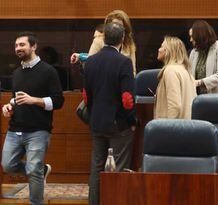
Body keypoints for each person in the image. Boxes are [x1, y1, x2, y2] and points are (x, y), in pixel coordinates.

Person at [1, 31, 64, 205]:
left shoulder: (49, 71)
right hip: (15, 129)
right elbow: (16, 98)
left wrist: (34, 100)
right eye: (16, 46)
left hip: (39, 130)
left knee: (33, 169)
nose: (18, 48)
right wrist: (9, 106)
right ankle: (41, 170)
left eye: (22, 45)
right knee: (7, 166)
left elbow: (59, 101)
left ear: (34, 46)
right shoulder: (16, 73)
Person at [84, 22, 137, 205]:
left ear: (104, 38)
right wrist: (132, 120)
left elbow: (86, 96)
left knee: (97, 169)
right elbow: (127, 98)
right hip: (119, 124)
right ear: (122, 39)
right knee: (118, 171)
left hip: (97, 123)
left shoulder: (90, 61)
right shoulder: (124, 62)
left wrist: (93, 117)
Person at [71, 10, 137, 75]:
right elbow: (90, 65)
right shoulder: (99, 41)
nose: (117, 29)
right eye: (114, 26)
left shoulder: (129, 44)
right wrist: (80, 56)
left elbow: (133, 72)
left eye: (120, 26)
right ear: (107, 27)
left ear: (125, 28)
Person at [154, 36, 197, 119]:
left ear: (169, 51)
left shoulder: (170, 71)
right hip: (186, 126)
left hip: (173, 128)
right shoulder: (185, 71)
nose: (159, 49)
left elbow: (175, 106)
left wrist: (169, 128)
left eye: (162, 46)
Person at [189, 20, 218, 94]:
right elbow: (190, 75)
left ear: (200, 35)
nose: (190, 40)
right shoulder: (194, 52)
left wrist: (199, 82)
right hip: (200, 97)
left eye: (192, 36)